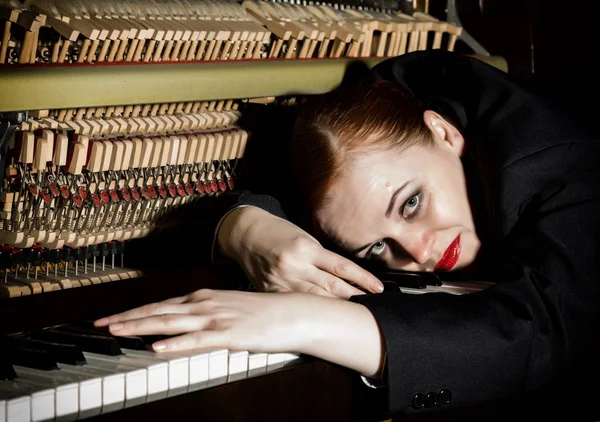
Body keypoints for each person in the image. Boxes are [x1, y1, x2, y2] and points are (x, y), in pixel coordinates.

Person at [95, 50, 600, 417]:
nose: (420, 252)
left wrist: (310, 321)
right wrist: (244, 226)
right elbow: (336, 171)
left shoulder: (562, 162)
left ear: (445, 133)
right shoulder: (392, 111)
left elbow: (548, 332)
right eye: (378, 248)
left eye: (411, 203)